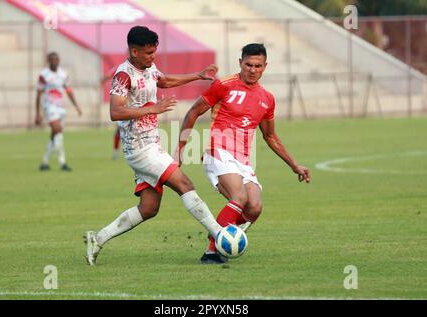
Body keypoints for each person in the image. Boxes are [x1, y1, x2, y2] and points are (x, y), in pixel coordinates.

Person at [83, 26, 221, 266]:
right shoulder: (123, 75)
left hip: (152, 144)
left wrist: (199, 75)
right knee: (185, 184)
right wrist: (153, 109)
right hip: (139, 148)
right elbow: (115, 112)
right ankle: (220, 235)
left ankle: (98, 238)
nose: (153, 57)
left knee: (148, 208)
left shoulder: (149, 67)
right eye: (148, 53)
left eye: (154, 52)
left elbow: (164, 81)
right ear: (134, 51)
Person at [174, 43, 311, 264]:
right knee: (240, 197)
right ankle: (212, 250)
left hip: (243, 160)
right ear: (240, 63)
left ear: (265, 66)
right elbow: (193, 112)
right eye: (248, 64)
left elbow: (270, 136)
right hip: (218, 152)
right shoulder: (224, 86)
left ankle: (221, 234)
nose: (252, 69)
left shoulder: (267, 98)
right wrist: (180, 149)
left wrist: (294, 165)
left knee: (254, 207)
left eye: (258, 65)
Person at [35, 52, 82, 171]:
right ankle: (63, 163)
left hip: (61, 107)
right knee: (58, 130)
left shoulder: (63, 74)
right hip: (49, 107)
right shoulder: (44, 75)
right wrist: (37, 113)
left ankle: (45, 162)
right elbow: (39, 94)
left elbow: (69, 91)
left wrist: (76, 106)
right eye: (52, 59)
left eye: (56, 59)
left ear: (59, 60)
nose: (55, 61)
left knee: (55, 134)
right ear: (48, 61)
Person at [101, 66, 122, 160]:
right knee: (119, 130)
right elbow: (107, 76)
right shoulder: (120, 68)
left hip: (131, 104)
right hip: (122, 103)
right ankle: (115, 153)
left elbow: (106, 76)